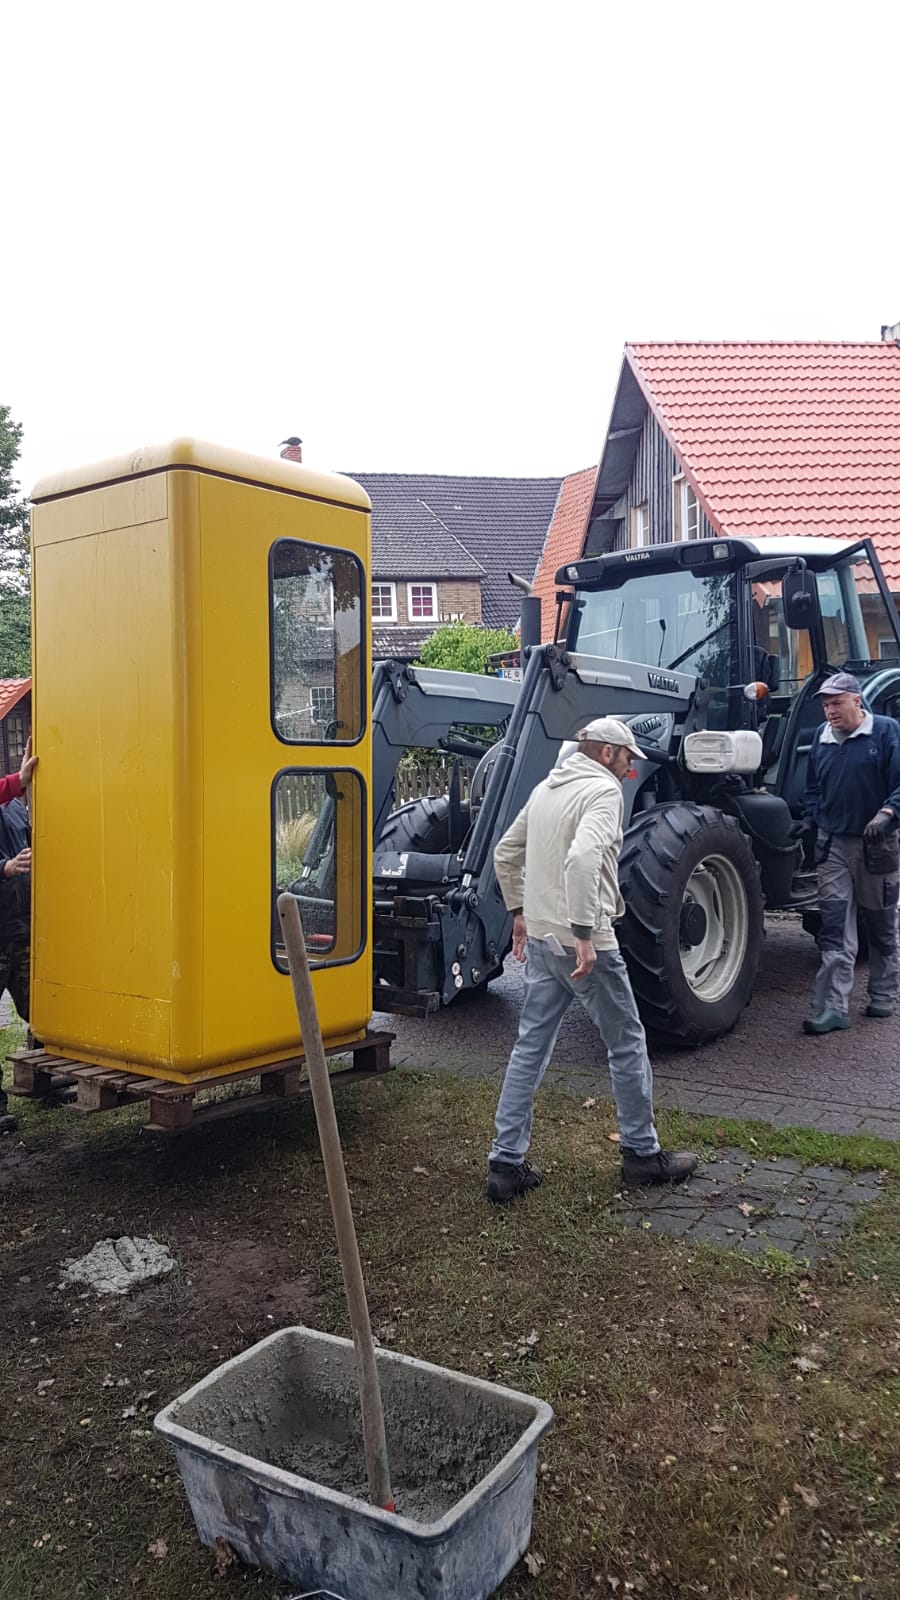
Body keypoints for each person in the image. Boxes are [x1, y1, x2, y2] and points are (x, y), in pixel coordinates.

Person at [486, 716, 698, 1203]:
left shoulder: (546, 789)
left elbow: (506, 852)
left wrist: (519, 912)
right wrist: (584, 934)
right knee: (627, 1043)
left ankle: (505, 1163)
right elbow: (583, 859)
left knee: (530, 1047)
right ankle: (641, 1154)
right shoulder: (603, 792)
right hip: (585, 944)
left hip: (542, 939)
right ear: (606, 752)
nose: (629, 769)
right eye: (627, 759)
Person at [801, 672, 900, 1035]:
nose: (830, 711)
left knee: (880, 924)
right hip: (834, 847)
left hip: (877, 846)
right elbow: (813, 787)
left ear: (857, 701)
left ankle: (884, 993)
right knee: (834, 927)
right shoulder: (822, 737)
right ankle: (832, 1008)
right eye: (826, 705)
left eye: (837, 703)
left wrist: (888, 813)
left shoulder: (886, 732)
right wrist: (810, 820)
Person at [0, 739, 37, 1135]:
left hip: (21, 931)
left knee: (42, 1013)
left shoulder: (13, 807)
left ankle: (41, 1079)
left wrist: (21, 782)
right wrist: (5, 868)